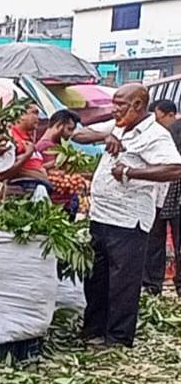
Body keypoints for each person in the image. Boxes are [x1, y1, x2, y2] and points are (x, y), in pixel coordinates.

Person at [71, 84, 181, 345]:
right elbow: (79, 134)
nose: (115, 109)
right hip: (101, 216)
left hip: (128, 220)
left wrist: (130, 173)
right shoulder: (118, 124)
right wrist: (105, 136)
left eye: (121, 104)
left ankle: (118, 338)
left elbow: (175, 168)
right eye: (115, 103)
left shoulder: (155, 135)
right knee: (96, 277)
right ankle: (94, 331)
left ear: (138, 106)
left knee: (123, 281)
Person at [147, 100, 181, 295]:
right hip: (165, 194)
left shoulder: (167, 133)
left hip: (164, 194)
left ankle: (153, 285)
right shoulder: (164, 132)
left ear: (169, 114)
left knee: (155, 241)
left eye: (157, 117)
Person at [0, 104, 53, 200]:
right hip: (23, 193)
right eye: (34, 113)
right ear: (21, 115)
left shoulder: (28, 139)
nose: (38, 118)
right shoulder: (10, 137)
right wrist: (28, 155)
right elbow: (5, 171)